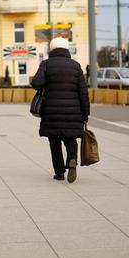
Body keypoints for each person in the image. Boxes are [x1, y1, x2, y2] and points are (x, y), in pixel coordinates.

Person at [31, 37, 90, 183]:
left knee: (54, 141)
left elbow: (36, 83)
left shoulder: (46, 64)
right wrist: (85, 114)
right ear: (67, 49)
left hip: (51, 112)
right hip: (73, 111)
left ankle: (59, 173)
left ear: (51, 49)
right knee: (71, 139)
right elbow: (83, 93)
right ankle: (72, 160)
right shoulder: (76, 66)